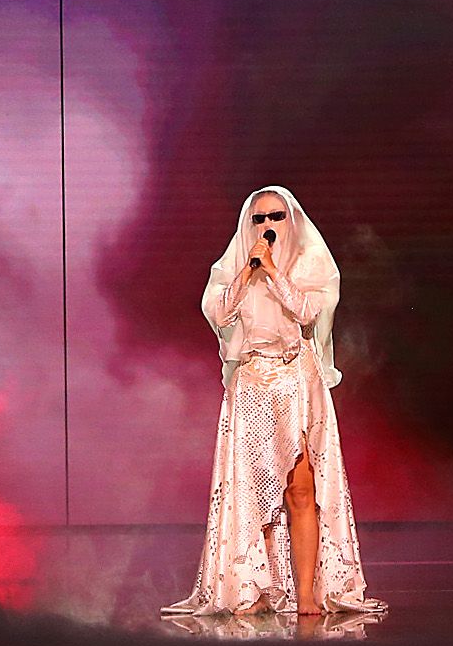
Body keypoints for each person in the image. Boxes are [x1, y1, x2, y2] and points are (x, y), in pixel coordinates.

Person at [163, 187, 385, 618]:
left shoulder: (312, 264)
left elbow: (307, 313)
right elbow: (218, 314)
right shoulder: (233, 270)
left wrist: (274, 274)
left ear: (292, 220)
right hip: (251, 384)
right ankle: (251, 587)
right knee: (251, 491)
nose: (267, 227)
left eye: (276, 217)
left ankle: (305, 593)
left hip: (296, 381)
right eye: (259, 219)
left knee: (301, 488)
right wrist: (249, 274)